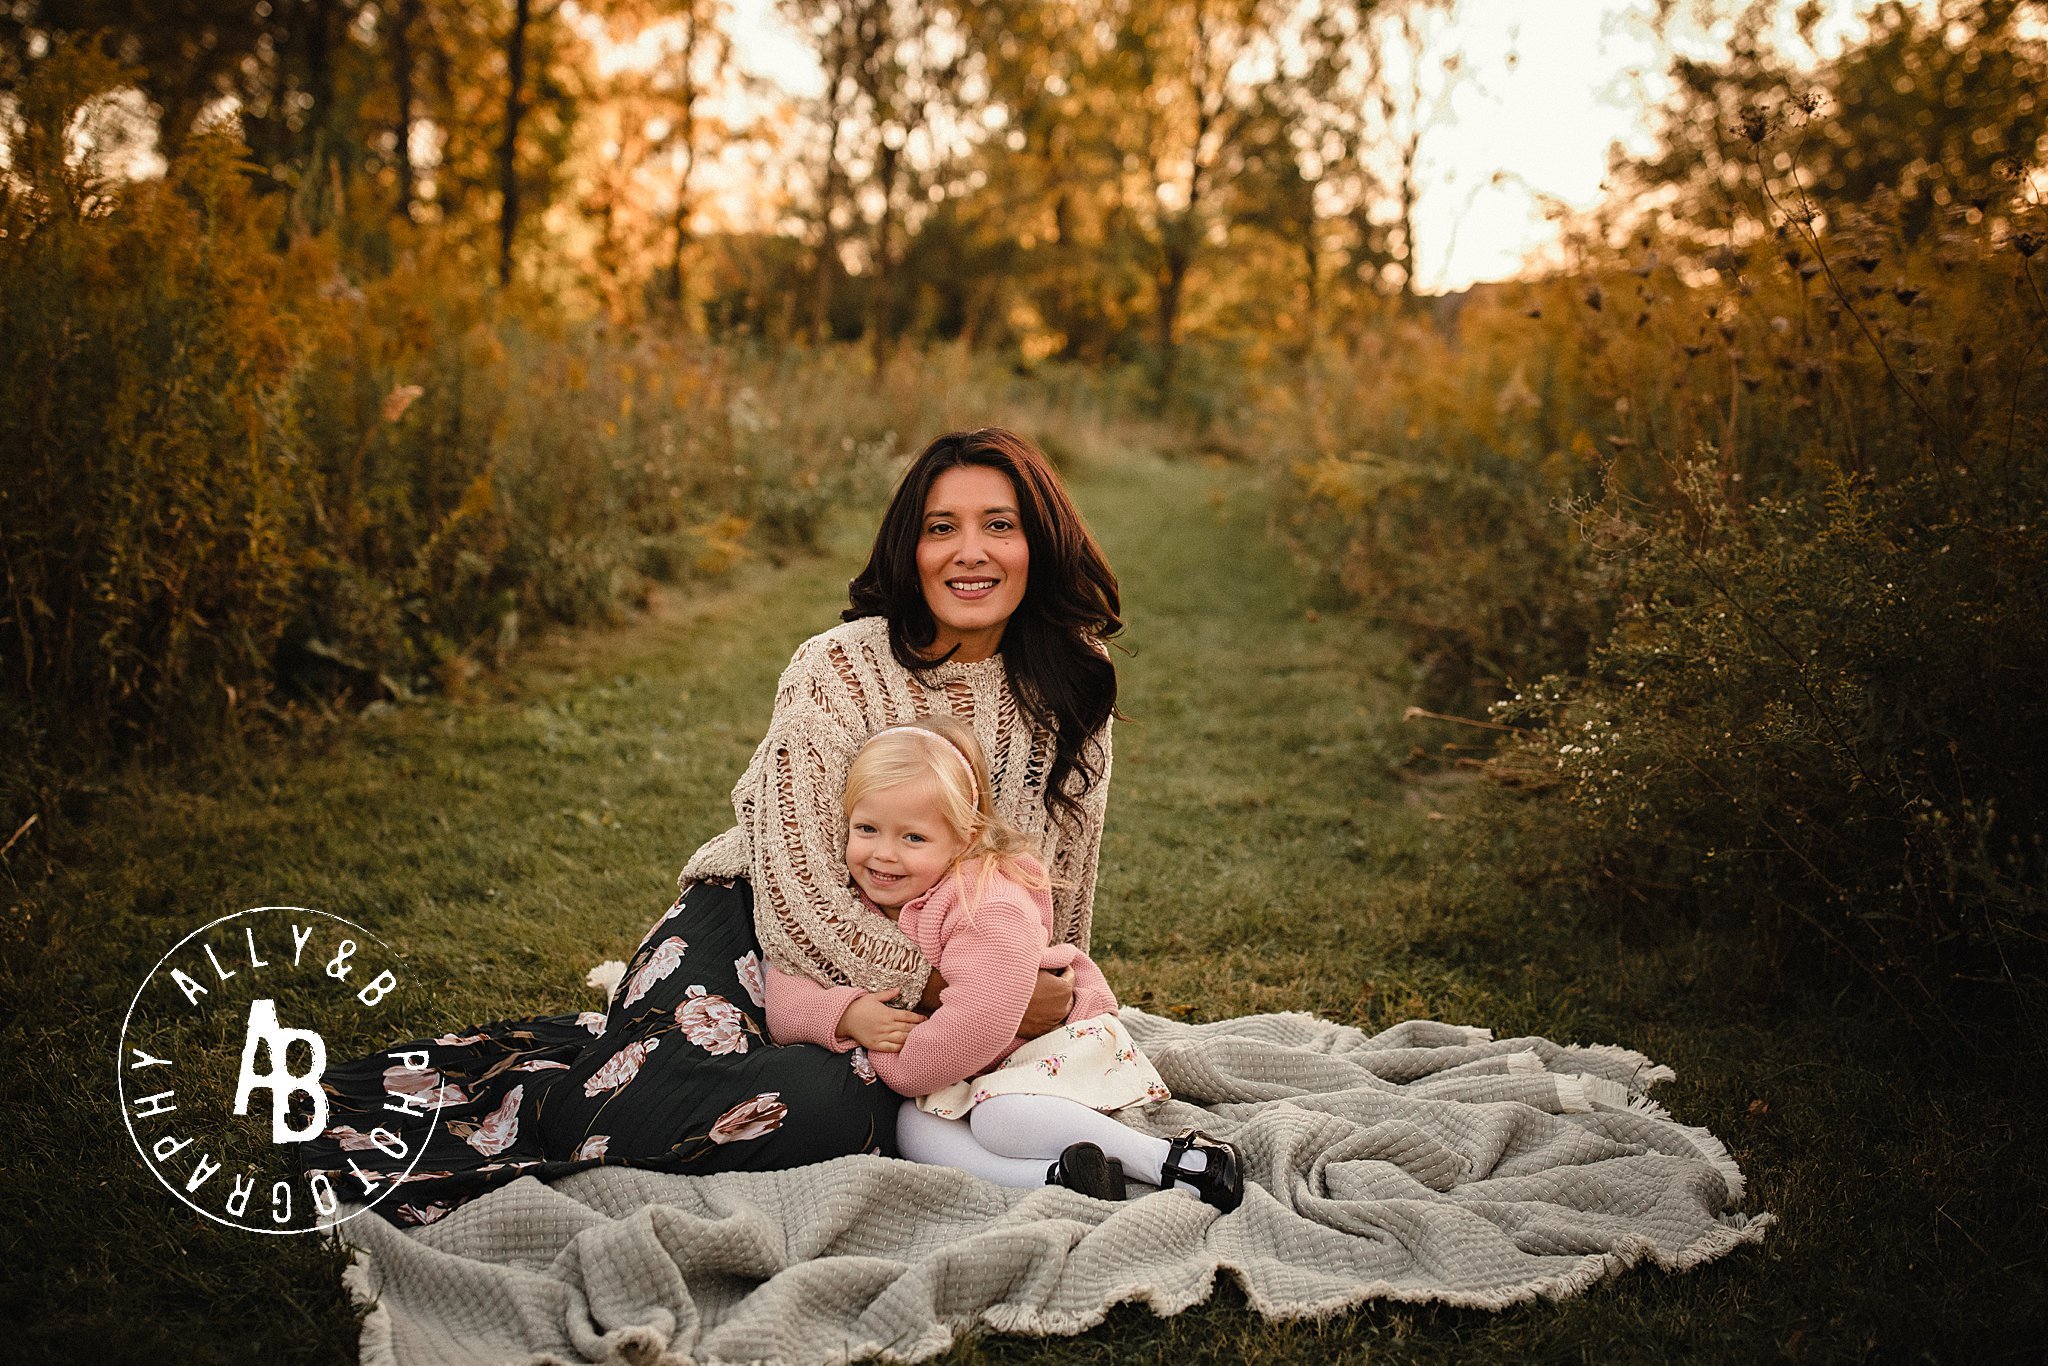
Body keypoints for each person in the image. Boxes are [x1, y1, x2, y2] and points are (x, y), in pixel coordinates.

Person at [299, 428, 1126, 1226]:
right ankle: (592, 1073)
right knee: (645, 1098)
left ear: (1037, 545)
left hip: (960, 955)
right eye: (941, 528)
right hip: (758, 919)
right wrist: (968, 993)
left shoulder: (1075, 684)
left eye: (999, 526)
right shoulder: (839, 668)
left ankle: (784, 1070)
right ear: (910, 547)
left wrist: (1042, 989)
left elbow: (1060, 878)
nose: (969, 552)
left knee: (832, 1110)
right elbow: (798, 889)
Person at [766, 717, 1243, 1209]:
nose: (883, 855)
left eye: (913, 838)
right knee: (913, 1129)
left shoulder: (985, 901)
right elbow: (786, 977)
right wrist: (845, 1015)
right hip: (967, 1067)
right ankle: (1059, 1178)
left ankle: (1176, 1161)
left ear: (965, 840)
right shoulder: (844, 905)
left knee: (1002, 1118)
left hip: (1046, 1046)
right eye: (867, 829)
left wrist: (900, 1061)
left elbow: (982, 1015)